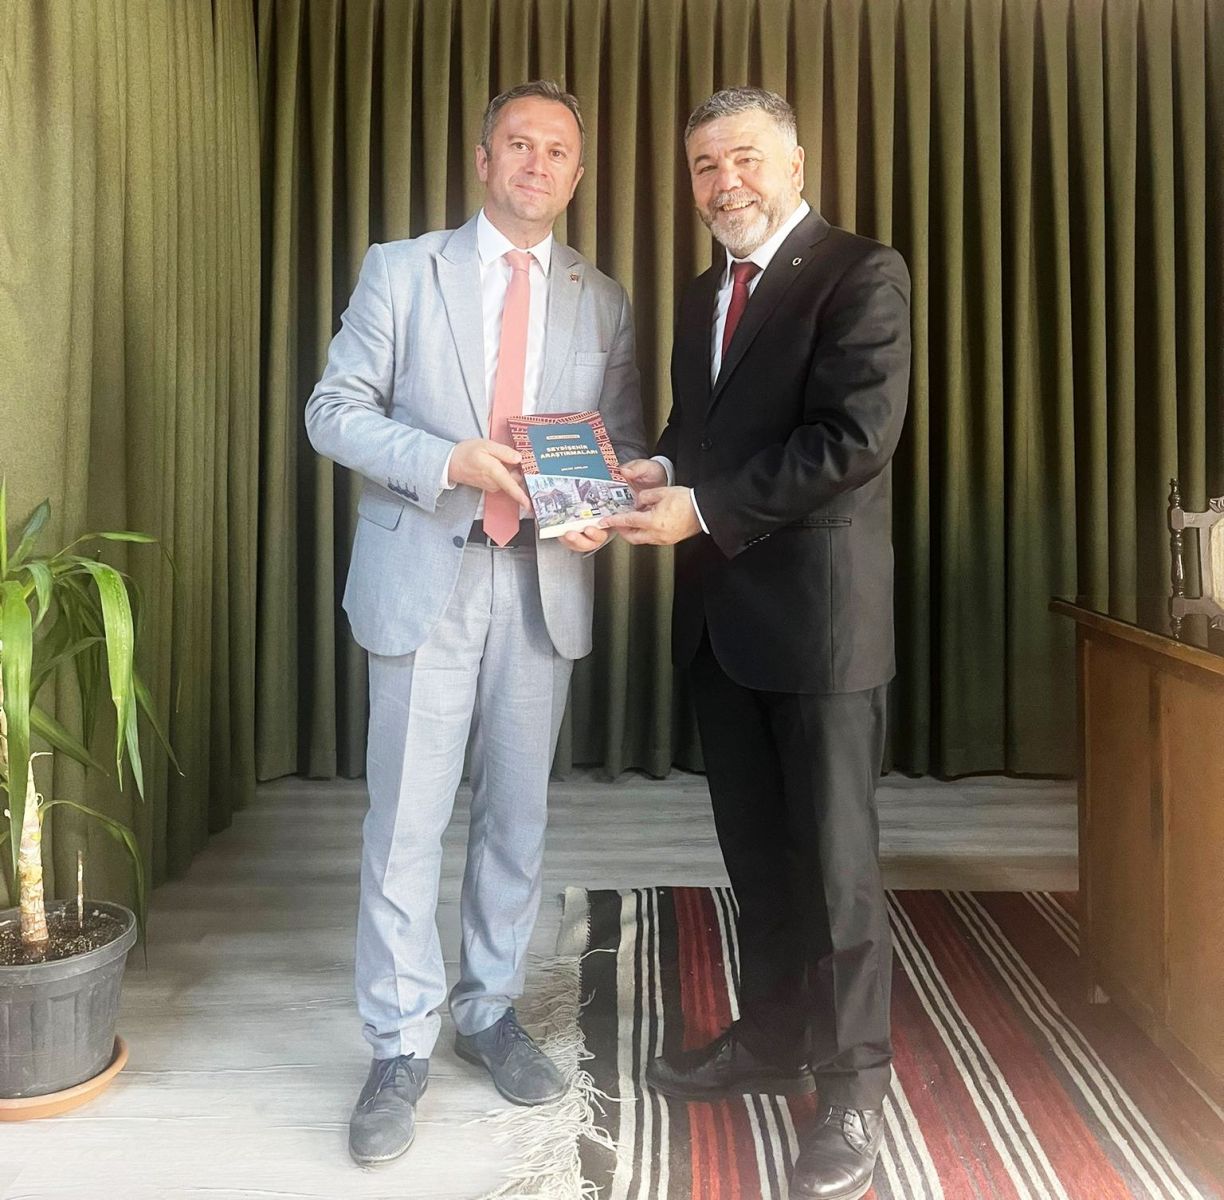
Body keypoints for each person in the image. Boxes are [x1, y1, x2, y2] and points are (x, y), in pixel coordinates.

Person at [305, 79, 646, 1168]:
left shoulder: (604, 299)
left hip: (541, 585)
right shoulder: (401, 270)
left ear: (577, 175)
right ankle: (399, 1043)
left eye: (558, 151)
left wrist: (607, 507)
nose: (538, 163)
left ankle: (486, 1011)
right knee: (405, 821)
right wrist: (446, 459)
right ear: (483, 158)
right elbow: (332, 412)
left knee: (516, 819)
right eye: (519, 143)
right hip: (427, 575)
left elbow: (617, 440)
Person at [603, 87, 911, 1200]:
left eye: (743, 158)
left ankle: (854, 1088)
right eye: (703, 166)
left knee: (836, 872)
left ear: (794, 163)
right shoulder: (704, 293)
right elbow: (702, 432)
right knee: (758, 861)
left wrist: (701, 508)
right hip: (723, 624)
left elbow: (855, 439)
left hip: (820, 627)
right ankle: (775, 1039)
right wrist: (656, 470)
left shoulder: (861, 273)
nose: (723, 182)